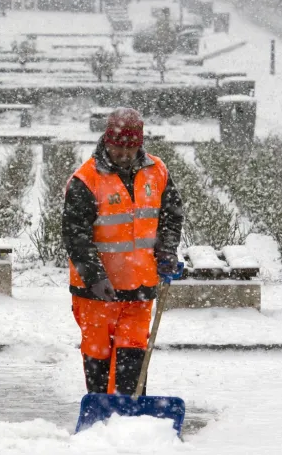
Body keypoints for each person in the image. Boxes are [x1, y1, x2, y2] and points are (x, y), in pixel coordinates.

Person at [62, 108, 184, 396]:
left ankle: (130, 414)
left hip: (140, 285)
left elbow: (171, 215)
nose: (125, 154)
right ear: (107, 141)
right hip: (96, 292)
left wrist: (166, 251)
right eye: (119, 147)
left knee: (133, 356)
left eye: (131, 147)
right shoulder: (86, 179)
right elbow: (75, 236)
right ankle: (102, 412)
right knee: (98, 356)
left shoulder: (157, 171)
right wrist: (94, 277)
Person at [152, 8, 177, 73]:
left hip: (162, 39)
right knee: (163, 52)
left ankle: (160, 65)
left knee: (161, 52)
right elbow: (171, 29)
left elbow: (156, 29)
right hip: (164, 39)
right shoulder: (166, 20)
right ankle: (161, 65)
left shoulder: (161, 19)